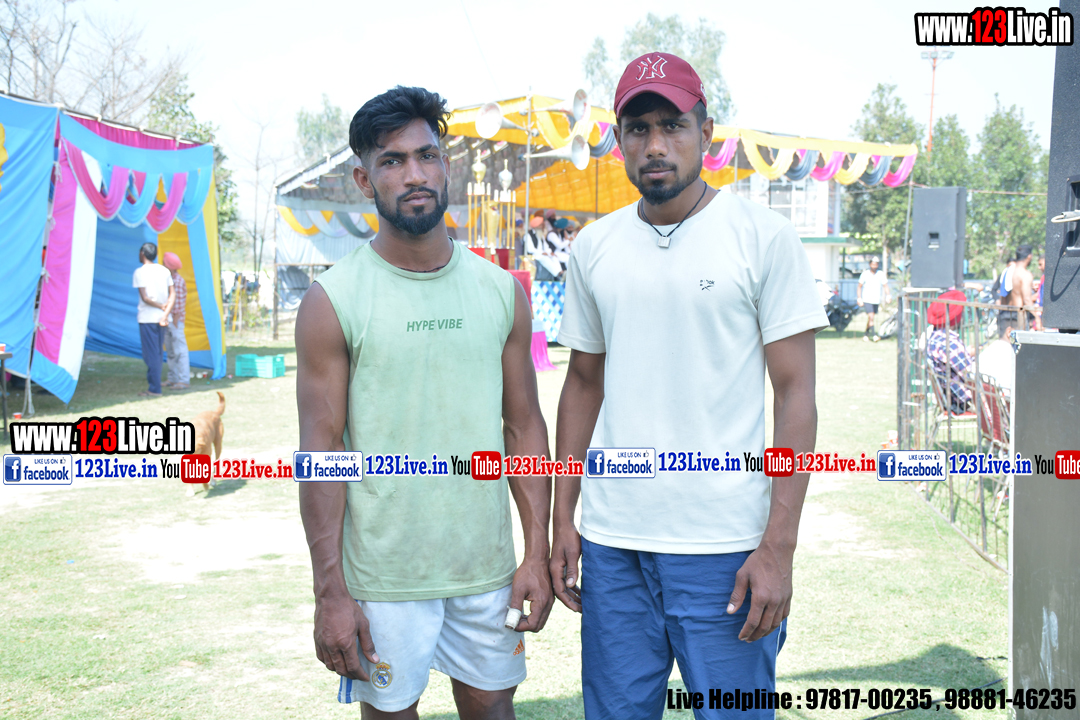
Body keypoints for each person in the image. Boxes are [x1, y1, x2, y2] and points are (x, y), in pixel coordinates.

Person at [551, 52, 827, 720]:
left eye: (672, 125)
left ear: (706, 133)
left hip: (724, 545)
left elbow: (796, 396)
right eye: (638, 128)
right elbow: (582, 383)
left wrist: (778, 546)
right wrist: (564, 518)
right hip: (614, 544)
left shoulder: (762, 238)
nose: (655, 145)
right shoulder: (594, 247)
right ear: (619, 141)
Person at [295, 85, 553, 720]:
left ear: (445, 164)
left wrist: (535, 553)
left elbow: (524, 427)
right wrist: (330, 592)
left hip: (485, 569)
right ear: (364, 179)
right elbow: (321, 453)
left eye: (426, 155)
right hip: (383, 578)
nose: (414, 174)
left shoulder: (501, 291)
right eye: (392, 160)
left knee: (493, 711)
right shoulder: (333, 301)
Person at [132, 242, 174, 398]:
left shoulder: (140, 272)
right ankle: (155, 386)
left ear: (142, 253)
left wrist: (160, 306)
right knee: (157, 352)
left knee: (151, 355)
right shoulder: (164, 270)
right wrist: (165, 313)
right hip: (162, 318)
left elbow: (145, 297)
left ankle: (155, 388)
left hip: (148, 318)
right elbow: (173, 294)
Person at [926, 289, 974, 413]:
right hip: (967, 401)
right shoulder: (950, 343)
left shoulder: (935, 338)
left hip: (953, 397)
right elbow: (971, 375)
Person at [161, 252, 190, 390]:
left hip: (175, 321)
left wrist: (175, 322)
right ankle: (173, 378)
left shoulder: (176, 281)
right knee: (171, 351)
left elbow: (177, 305)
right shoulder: (170, 279)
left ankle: (183, 380)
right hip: (169, 320)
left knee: (180, 351)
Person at [998, 244, 1035, 339]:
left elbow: (1002, 296)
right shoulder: (1025, 274)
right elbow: (1027, 300)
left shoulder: (1007, 271)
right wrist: (1037, 318)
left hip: (1005, 314)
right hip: (1018, 317)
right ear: (1029, 256)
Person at [857, 256, 890, 342]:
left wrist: (888, 295)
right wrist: (859, 298)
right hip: (867, 299)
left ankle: (866, 334)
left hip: (876, 299)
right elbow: (859, 286)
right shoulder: (865, 274)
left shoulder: (881, 274)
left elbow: (885, 285)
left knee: (871, 318)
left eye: (876, 264)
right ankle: (874, 335)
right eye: (873, 264)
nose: (874, 266)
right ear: (870, 264)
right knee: (871, 317)